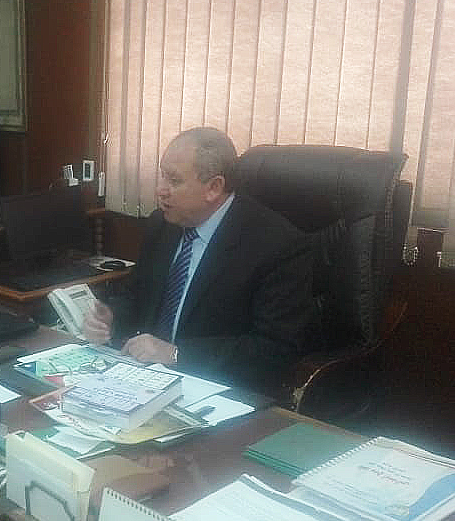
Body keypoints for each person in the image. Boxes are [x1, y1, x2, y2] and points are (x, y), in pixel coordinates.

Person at [83, 127, 316, 395]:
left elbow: (273, 350)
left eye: (174, 180)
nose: (160, 190)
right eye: (162, 175)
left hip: (219, 389)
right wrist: (112, 317)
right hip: (146, 378)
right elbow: (137, 294)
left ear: (214, 188)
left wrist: (176, 353)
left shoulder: (276, 245)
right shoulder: (162, 224)